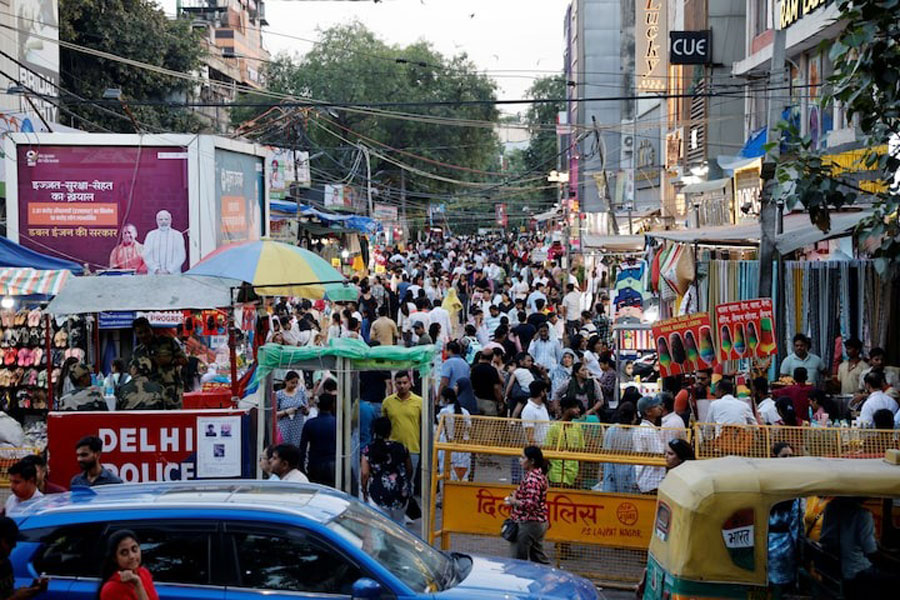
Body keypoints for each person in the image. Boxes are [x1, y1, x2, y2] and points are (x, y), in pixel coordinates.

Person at [821, 497, 900, 599]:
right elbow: (872, 554)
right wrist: (895, 564)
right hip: (855, 574)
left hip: (834, 567)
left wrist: (888, 554)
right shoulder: (862, 515)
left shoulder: (831, 507)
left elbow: (865, 545)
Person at [504, 446, 550, 564]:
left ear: (532, 461)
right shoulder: (538, 475)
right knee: (539, 560)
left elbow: (531, 504)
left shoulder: (532, 479)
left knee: (518, 562)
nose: (520, 460)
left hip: (528, 523)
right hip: (537, 522)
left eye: (523, 457)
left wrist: (514, 501)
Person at [361, 417, 413, 523]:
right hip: (400, 493)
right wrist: (405, 483)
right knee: (400, 524)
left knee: (380, 527)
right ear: (390, 430)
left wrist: (364, 489)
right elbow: (409, 469)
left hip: (378, 493)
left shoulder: (369, 450)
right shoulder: (401, 447)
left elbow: (365, 473)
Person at [767, 443, 802, 595]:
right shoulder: (794, 489)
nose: (788, 459)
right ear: (775, 457)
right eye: (785, 456)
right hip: (785, 547)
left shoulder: (766, 483)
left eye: (790, 456)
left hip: (766, 545)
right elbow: (796, 527)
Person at [132, 317, 187, 410]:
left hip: (171, 393)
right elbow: (135, 372)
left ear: (151, 329)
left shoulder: (167, 342)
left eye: (146, 331)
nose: (144, 335)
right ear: (136, 334)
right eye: (140, 333)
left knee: (174, 421)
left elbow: (185, 360)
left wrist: (169, 361)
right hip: (150, 396)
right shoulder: (138, 351)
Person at [381, 372, 423, 484]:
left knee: (409, 483)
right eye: (399, 383)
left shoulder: (420, 402)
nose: (402, 386)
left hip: (412, 448)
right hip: (392, 449)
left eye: (405, 383)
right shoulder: (387, 402)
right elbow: (384, 425)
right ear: (395, 384)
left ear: (410, 383)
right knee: (392, 482)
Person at [99, 529, 159, 600]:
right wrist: (138, 584)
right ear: (115, 558)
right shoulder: (111, 589)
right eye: (124, 553)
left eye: (134, 549)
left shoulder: (144, 573)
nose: (132, 556)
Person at [298, 393, 337, 486]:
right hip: (333, 464)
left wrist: (302, 469)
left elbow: (302, 448)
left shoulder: (310, 424)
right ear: (332, 405)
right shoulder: (337, 424)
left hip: (315, 464)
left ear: (318, 406)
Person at [0, 517, 44, 600]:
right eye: (10, 540)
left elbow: (7, 593)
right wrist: (16, 598)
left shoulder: (5, 563)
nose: (14, 545)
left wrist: (32, 590)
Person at [544, 397, 584, 487]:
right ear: (565, 409)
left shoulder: (578, 428)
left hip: (573, 475)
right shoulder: (554, 428)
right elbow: (547, 452)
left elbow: (581, 453)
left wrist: (580, 474)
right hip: (557, 475)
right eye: (575, 408)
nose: (578, 410)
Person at [601, 402, 638, 493]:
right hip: (629, 468)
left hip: (611, 466)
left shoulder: (611, 429)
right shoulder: (636, 432)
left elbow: (606, 449)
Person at [437, 388, 473, 481]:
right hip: (463, 446)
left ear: (447, 400)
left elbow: (440, 427)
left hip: (447, 444)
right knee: (462, 475)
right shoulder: (465, 411)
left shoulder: (444, 412)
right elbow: (469, 426)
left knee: (446, 474)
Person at [633, 395, 666, 494]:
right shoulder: (649, 431)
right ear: (648, 412)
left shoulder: (640, 428)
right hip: (652, 481)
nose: (660, 408)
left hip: (643, 479)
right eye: (656, 406)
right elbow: (658, 455)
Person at [141, 209, 185, 274]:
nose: (163, 221)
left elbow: (181, 256)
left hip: (173, 275)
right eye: (161, 219)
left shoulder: (178, 235)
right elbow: (146, 255)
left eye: (166, 219)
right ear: (157, 221)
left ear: (170, 220)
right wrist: (156, 269)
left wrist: (169, 270)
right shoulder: (150, 235)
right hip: (154, 275)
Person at [275, 371, 309, 446]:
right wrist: (286, 412)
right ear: (286, 381)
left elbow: (307, 411)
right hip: (284, 427)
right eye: (292, 382)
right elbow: (274, 414)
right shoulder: (279, 394)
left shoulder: (301, 393)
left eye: (296, 383)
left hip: (298, 427)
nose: (294, 385)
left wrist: (304, 409)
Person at [470, 351, 503, 416]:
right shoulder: (492, 370)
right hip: (489, 402)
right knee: (489, 425)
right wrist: (500, 401)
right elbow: (496, 388)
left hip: (476, 400)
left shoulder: (474, 369)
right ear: (491, 358)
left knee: (477, 424)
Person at [520, 380, 551, 446]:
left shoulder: (543, 406)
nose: (547, 394)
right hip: (539, 448)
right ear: (542, 393)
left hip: (547, 446)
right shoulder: (529, 410)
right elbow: (530, 436)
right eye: (545, 391)